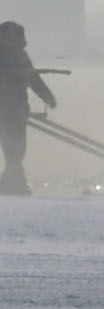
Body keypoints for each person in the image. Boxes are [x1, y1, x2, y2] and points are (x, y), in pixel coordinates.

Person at [0, 21, 49, 197]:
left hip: (15, 110)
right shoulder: (18, 56)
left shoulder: (20, 56)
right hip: (11, 111)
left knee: (14, 149)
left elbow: (32, 78)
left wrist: (47, 97)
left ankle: (11, 183)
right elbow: (33, 79)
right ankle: (13, 184)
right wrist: (47, 97)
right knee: (15, 149)